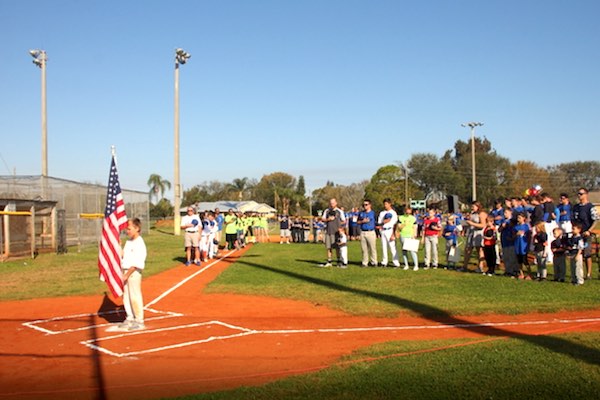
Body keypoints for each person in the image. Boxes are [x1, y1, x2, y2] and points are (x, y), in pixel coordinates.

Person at [119, 218, 147, 331]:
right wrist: (119, 246)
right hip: (125, 270)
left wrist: (127, 274)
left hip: (133, 272)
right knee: (126, 295)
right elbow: (123, 256)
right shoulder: (129, 242)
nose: (127, 231)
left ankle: (139, 320)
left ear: (137, 229)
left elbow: (137, 262)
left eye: (129, 228)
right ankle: (130, 317)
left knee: (134, 295)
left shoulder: (139, 243)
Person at [572, 187, 599, 280]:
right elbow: (573, 219)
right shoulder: (576, 207)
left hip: (586, 234)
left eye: (581, 194)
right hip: (577, 234)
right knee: (577, 253)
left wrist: (589, 231)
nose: (579, 195)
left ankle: (588, 274)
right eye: (578, 194)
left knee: (587, 253)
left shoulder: (590, 207)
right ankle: (579, 273)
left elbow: (595, 220)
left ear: (586, 195)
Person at [461, 201, 488, 273]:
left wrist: (472, 223)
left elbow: (483, 225)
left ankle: (480, 267)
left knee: (479, 250)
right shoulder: (472, 214)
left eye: (474, 206)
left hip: (478, 233)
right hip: (471, 232)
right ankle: (464, 266)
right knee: (467, 249)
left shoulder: (481, 214)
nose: (472, 208)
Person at [321, 198, 346, 267]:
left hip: (336, 232)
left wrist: (339, 226)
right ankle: (329, 261)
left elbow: (344, 220)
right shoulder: (327, 211)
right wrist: (328, 219)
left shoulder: (339, 211)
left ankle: (339, 261)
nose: (332, 204)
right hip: (328, 231)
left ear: (336, 203)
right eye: (331, 203)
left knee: (337, 247)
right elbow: (322, 219)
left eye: (333, 203)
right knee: (329, 247)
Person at [377, 198, 400, 268]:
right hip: (383, 230)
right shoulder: (382, 213)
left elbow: (395, 224)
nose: (385, 205)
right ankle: (384, 262)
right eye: (384, 204)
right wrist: (381, 225)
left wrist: (393, 234)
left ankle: (396, 262)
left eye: (386, 204)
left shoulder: (393, 213)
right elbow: (379, 222)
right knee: (383, 247)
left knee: (392, 247)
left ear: (390, 204)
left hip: (390, 230)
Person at [357, 199, 377, 267]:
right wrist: (363, 221)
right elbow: (358, 222)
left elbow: (376, 222)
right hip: (363, 232)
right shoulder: (361, 213)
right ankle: (365, 262)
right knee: (364, 249)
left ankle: (374, 262)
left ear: (370, 205)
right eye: (363, 205)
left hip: (370, 231)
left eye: (366, 205)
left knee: (372, 248)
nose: (364, 206)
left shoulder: (373, 213)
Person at [499, 208, 518, 277]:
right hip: (504, 241)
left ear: (511, 213)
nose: (505, 214)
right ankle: (507, 270)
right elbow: (499, 230)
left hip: (511, 242)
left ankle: (514, 270)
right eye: (504, 213)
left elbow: (514, 230)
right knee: (505, 256)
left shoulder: (512, 221)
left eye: (506, 212)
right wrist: (502, 226)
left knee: (511, 256)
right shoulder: (503, 221)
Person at [514, 212, 532, 280]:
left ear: (524, 218)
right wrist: (516, 234)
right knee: (519, 261)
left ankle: (529, 274)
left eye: (520, 218)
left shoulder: (526, 226)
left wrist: (528, 245)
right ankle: (521, 274)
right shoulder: (516, 227)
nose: (518, 219)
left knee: (525, 260)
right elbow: (513, 236)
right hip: (517, 245)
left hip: (523, 245)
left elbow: (529, 236)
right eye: (518, 218)